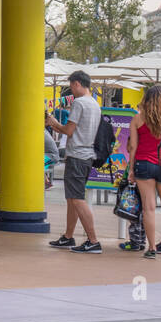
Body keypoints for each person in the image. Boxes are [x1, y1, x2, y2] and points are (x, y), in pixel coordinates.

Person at [47, 70, 102, 252]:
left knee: (77, 199)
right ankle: (68, 236)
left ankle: (93, 241)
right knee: (72, 198)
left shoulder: (79, 103)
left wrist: (54, 123)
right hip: (87, 156)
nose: (71, 91)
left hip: (77, 155)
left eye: (71, 87)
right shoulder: (95, 104)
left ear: (77, 83)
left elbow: (69, 130)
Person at [127, 87, 161, 260]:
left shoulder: (137, 118)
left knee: (149, 209)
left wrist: (131, 169)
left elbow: (133, 147)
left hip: (144, 164)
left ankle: (151, 249)